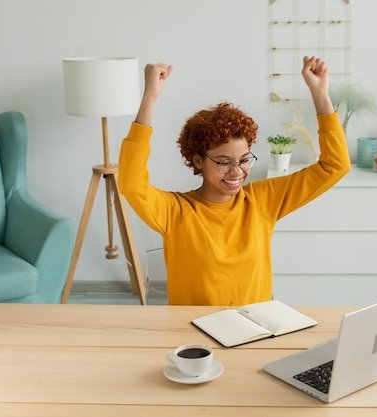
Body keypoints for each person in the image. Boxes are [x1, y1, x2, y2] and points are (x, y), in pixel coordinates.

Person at [118, 56, 350, 306]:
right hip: (194, 334)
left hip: (254, 331)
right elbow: (131, 183)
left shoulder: (262, 201)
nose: (236, 171)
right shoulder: (175, 212)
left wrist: (320, 93)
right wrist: (150, 97)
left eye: (243, 159)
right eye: (223, 161)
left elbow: (335, 166)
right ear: (198, 161)